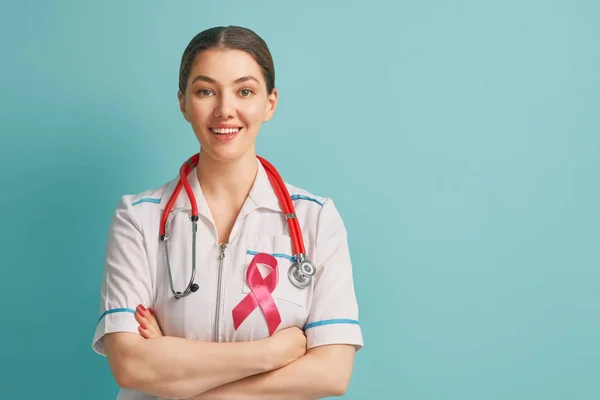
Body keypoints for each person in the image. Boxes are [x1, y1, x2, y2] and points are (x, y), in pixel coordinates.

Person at [92, 26, 363, 400]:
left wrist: (177, 378)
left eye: (245, 91)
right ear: (183, 102)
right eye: (205, 91)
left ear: (270, 103)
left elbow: (330, 375)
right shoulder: (138, 218)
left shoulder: (316, 219)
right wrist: (270, 354)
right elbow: (131, 366)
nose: (224, 110)